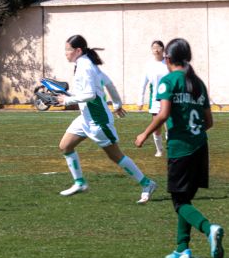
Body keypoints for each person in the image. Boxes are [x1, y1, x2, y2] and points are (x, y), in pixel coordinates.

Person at [135, 38, 222, 258]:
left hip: (180, 149)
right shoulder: (198, 83)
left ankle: (208, 228)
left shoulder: (169, 80)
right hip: (200, 147)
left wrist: (144, 134)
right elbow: (209, 122)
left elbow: (162, 115)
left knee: (179, 202)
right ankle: (182, 249)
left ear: (168, 58)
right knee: (185, 199)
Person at [56, 35, 157, 203]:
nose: (65, 53)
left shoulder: (86, 66)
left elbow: (90, 94)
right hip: (86, 118)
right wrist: (117, 104)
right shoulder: (84, 64)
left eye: (68, 49)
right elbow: (108, 83)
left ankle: (147, 184)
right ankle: (80, 182)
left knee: (116, 156)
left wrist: (67, 100)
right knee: (65, 146)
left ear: (78, 50)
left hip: (98, 120)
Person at [139, 40, 168, 157]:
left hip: (168, 99)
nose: (156, 49)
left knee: (169, 126)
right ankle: (159, 150)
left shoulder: (169, 62)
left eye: (158, 47)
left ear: (163, 49)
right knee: (156, 127)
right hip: (155, 100)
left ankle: (170, 148)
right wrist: (140, 101)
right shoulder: (149, 65)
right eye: (153, 47)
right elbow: (143, 83)